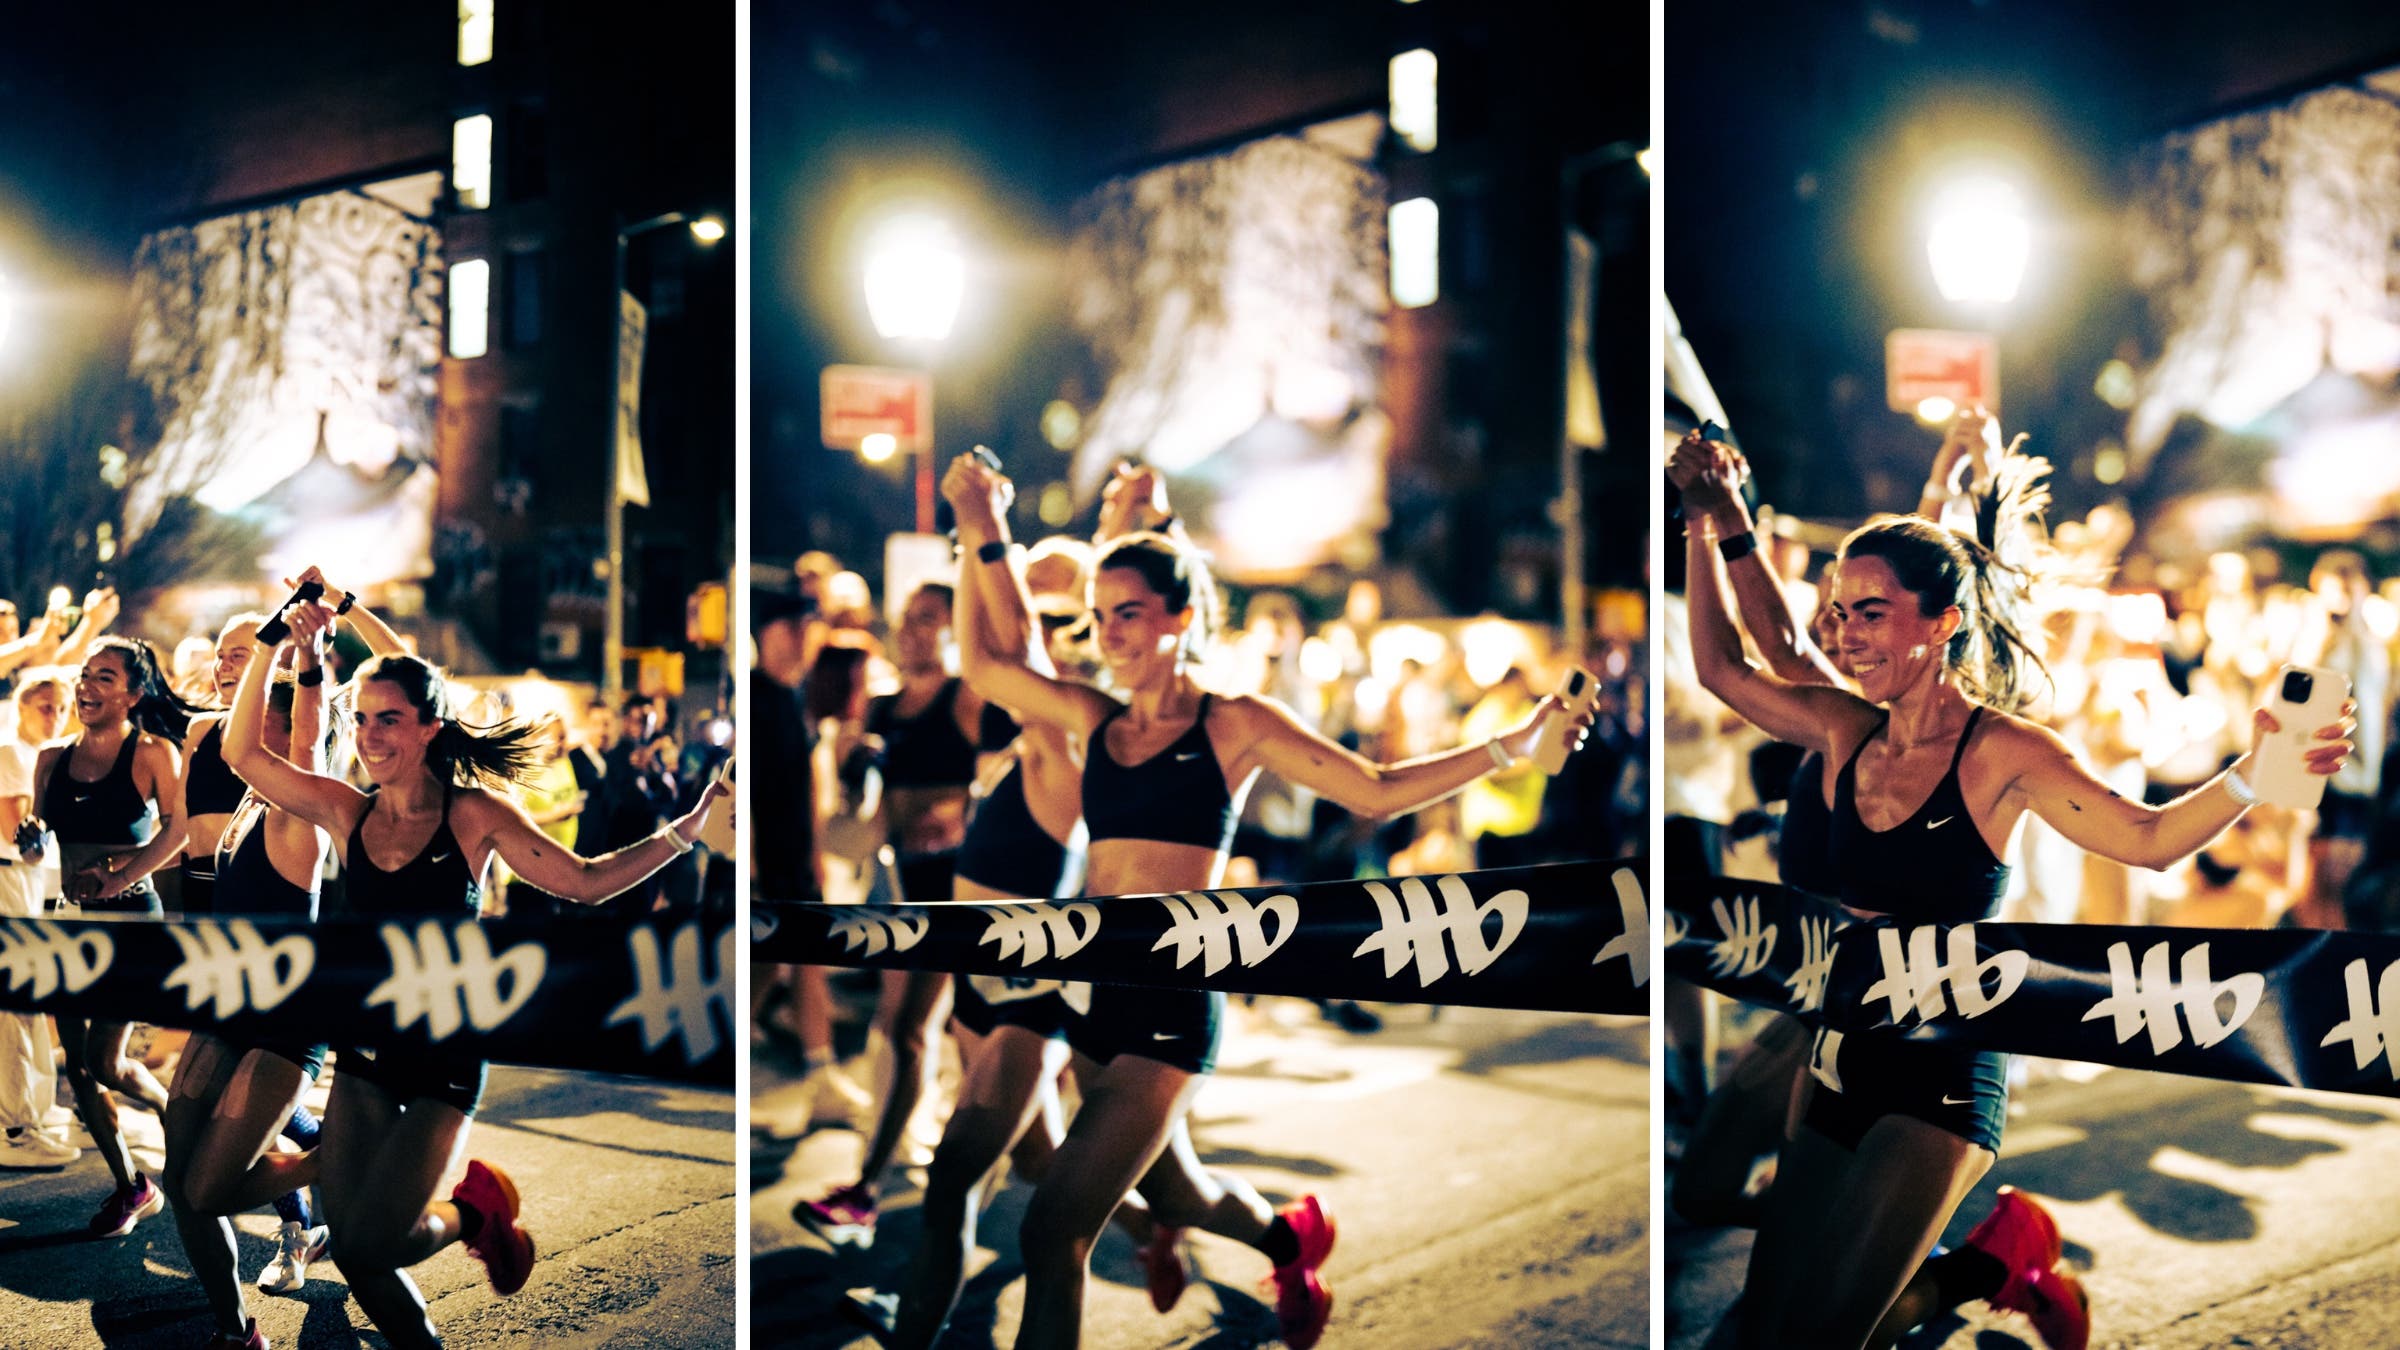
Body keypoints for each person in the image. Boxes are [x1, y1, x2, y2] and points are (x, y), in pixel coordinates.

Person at [1675, 427, 2355, 1350]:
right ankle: (1993, 1265)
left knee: (1819, 1338)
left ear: (1942, 623)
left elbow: (2150, 840)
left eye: (1870, 613)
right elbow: (1723, 669)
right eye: (1840, 613)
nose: (1844, 634)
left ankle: (1988, 1263)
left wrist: (2251, 776)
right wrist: (1700, 520)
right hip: (1836, 1052)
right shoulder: (1844, 728)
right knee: (1759, 1329)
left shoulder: (2005, 753)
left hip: (1940, 1079)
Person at [945, 453, 1597, 1350]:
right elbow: (985, 663)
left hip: (1169, 1012)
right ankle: (1291, 1240)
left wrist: (1509, 750)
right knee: (1179, 1193)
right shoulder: (1095, 720)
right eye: (1100, 621)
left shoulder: (1232, 722)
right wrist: (980, 532)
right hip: (1095, 1006)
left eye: (1128, 614)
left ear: (1179, 615)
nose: (1110, 636)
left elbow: (1371, 788)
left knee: (1051, 1229)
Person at [219, 595, 727, 1349]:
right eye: (360, 718)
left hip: (443, 1058)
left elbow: (584, 880)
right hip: (363, 1054)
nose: (368, 736)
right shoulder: (346, 812)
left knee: (375, 1245)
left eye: (388, 718)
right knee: (357, 1255)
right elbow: (243, 758)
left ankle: (474, 1214)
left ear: (429, 728)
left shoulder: (471, 815)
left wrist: (685, 834)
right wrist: (272, 644)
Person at [794, 580, 993, 1242]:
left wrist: (961, 812)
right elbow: (864, 818)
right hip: (905, 889)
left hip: (968, 892)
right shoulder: (880, 709)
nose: (913, 631)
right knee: (916, 1032)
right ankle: (910, 1182)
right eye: (908, 618)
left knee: (941, 1034)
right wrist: (850, 768)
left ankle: (879, 1186)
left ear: (953, 628)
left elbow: (1001, 777)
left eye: (929, 618)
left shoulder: (967, 696)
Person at [31, 636, 205, 1237]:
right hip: (70, 924)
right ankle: (132, 1184)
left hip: (131, 920)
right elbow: (41, 838)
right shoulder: (51, 758)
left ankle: (178, 1117)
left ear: (133, 693)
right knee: (77, 1070)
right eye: (85, 674)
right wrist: (31, 841)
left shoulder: (152, 752)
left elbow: (181, 829)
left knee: (105, 1062)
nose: (87, 685)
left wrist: (123, 876)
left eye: (105, 677)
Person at [0, 673, 74, 1170]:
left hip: (28, 888)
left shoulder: (33, 756)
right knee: (16, 1009)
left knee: (29, 1007)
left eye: (63, 707)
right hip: (10, 883)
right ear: (22, 706)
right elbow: (19, 836)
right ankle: (16, 1126)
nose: (56, 715)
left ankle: (36, 1114)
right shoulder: (11, 753)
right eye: (45, 706)